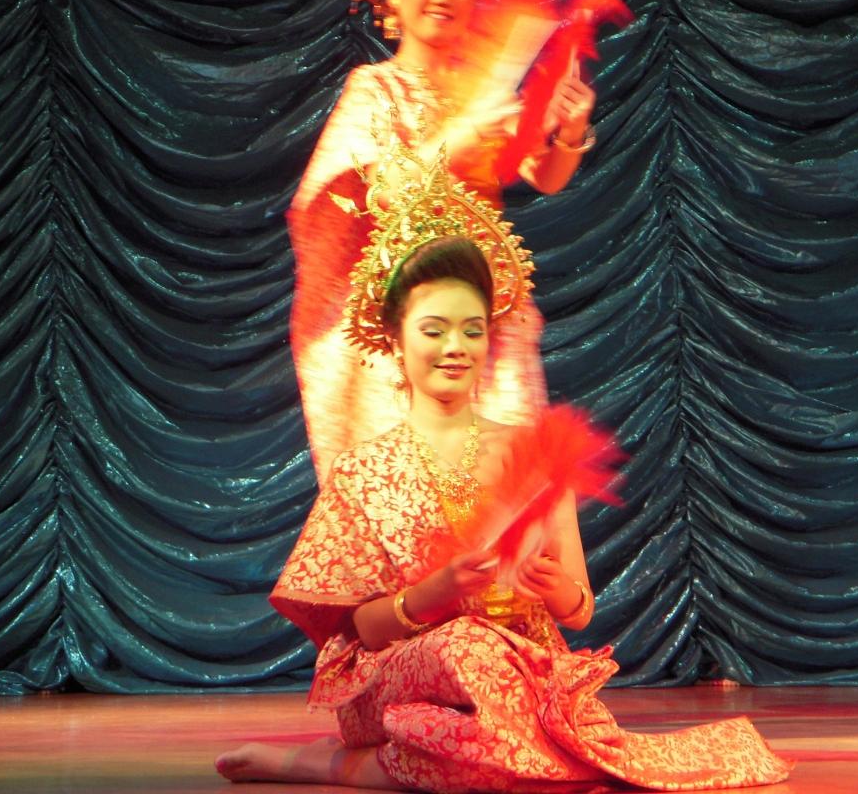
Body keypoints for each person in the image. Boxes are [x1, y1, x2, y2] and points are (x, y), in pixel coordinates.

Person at [217, 164, 791, 787]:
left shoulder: (531, 451)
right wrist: (434, 594)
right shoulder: (364, 470)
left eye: (473, 330)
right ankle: (357, 758)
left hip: (518, 677)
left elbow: (578, 610)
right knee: (466, 647)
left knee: (505, 730)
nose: (455, 347)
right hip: (403, 674)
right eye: (434, 330)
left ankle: (385, 762)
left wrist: (554, 588)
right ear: (394, 339)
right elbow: (360, 630)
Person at [289, 0, 599, 481]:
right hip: (411, 327)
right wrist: (456, 139)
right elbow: (362, 196)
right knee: (422, 499)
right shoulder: (375, 90)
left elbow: (540, 175)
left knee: (505, 498)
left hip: (491, 319)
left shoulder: (480, 84)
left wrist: (568, 130)